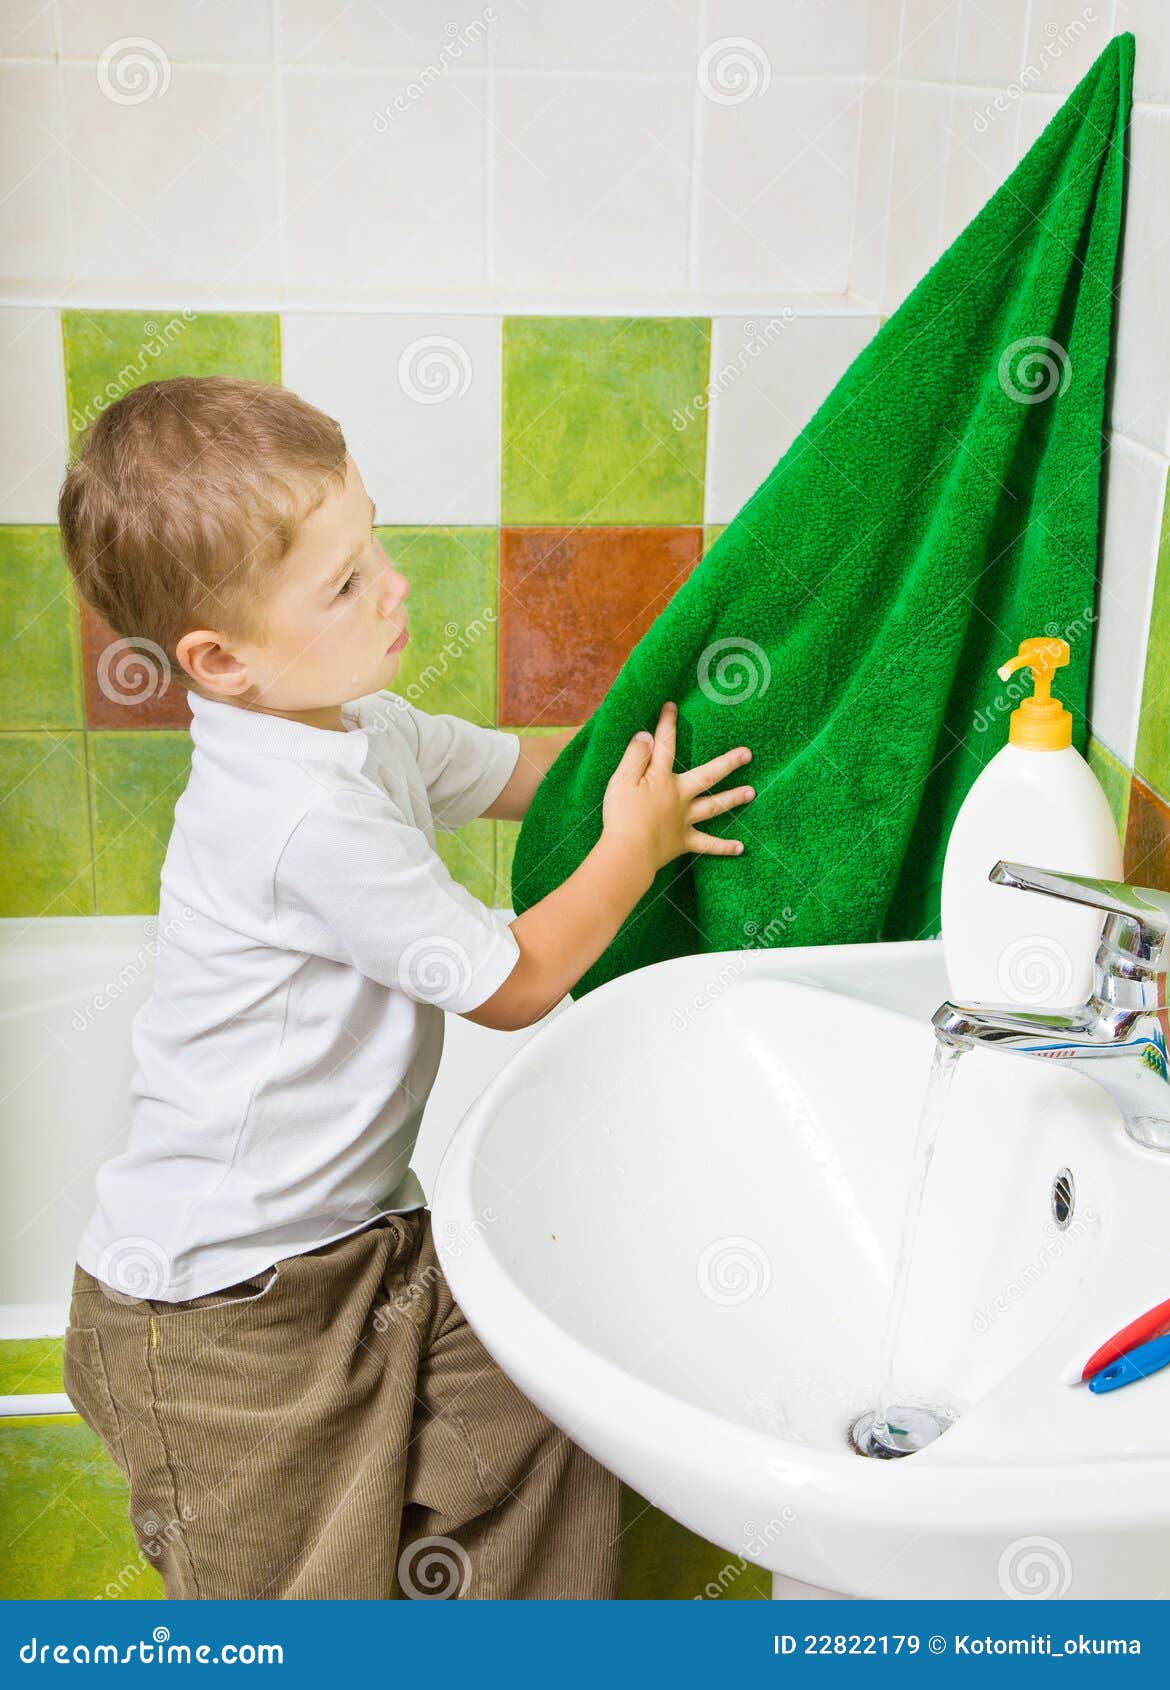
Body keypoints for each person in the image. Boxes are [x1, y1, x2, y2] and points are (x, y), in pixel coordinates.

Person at [57, 376, 755, 1599]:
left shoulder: (356, 731)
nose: (393, 585)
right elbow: (518, 983)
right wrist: (631, 851)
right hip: (221, 1319)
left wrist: (654, 754)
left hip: (360, 1249)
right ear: (221, 661)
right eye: (342, 584)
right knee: (292, 1611)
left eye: (372, 540)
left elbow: (532, 771)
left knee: (554, 1384)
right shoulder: (296, 818)